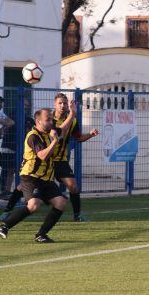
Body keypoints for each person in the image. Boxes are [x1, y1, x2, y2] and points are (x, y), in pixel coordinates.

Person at [0, 108, 69, 243]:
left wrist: (73, 113)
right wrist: (54, 141)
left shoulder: (49, 132)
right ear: (38, 121)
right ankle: (4, 226)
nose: (51, 122)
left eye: (52, 119)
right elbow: (42, 155)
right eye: (48, 120)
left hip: (46, 178)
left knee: (61, 202)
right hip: (30, 177)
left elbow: (63, 128)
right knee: (34, 204)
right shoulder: (33, 136)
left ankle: (41, 234)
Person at [51, 93, 99, 221]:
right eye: (60, 103)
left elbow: (78, 138)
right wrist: (72, 115)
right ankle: (9, 210)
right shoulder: (48, 119)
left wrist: (90, 134)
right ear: (54, 104)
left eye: (65, 103)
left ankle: (77, 215)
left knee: (73, 186)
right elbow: (59, 132)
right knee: (34, 188)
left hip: (61, 160)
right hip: (46, 160)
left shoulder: (73, 121)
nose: (62, 105)